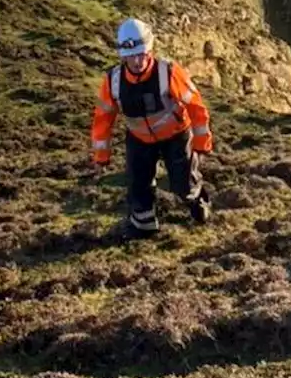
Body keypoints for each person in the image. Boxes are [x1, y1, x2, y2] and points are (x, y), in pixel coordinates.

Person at [89, 18, 214, 236]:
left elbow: (195, 106)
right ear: (123, 56)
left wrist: (202, 142)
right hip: (139, 140)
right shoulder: (113, 82)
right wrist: (101, 155)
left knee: (184, 184)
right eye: (131, 56)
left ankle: (198, 202)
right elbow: (103, 118)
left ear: (150, 51)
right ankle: (143, 226)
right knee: (138, 186)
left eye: (141, 55)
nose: (137, 61)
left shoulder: (169, 73)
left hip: (176, 136)